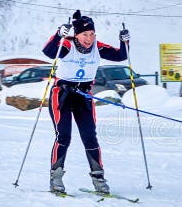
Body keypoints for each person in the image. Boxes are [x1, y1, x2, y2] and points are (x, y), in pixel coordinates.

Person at [42, 10, 130, 195]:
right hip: (62, 95)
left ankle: (98, 179)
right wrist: (58, 34)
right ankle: (56, 178)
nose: (89, 39)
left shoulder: (97, 47)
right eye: (84, 34)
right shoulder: (67, 44)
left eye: (92, 34)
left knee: (90, 137)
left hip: (83, 96)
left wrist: (125, 41)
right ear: (76, 34)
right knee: (63, 136)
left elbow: (121, 55)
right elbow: (49, 52)